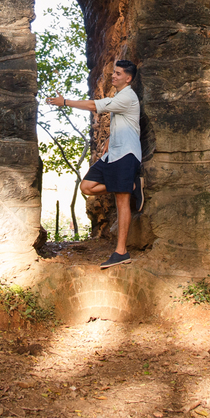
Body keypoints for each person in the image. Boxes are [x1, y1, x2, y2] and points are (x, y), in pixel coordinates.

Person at [46, 59, 141, 269]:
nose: (113, 76)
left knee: (121, 201)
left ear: (128, 78)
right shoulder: (119, 96)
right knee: (87, 186)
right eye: (113, 73)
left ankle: (121, 252)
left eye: (117, 73)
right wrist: (109, 138)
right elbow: (125, 122)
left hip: (126, 153)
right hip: (113, 154)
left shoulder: (127, 96)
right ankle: (130, 184)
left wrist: (65, 102)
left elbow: (93, 106)